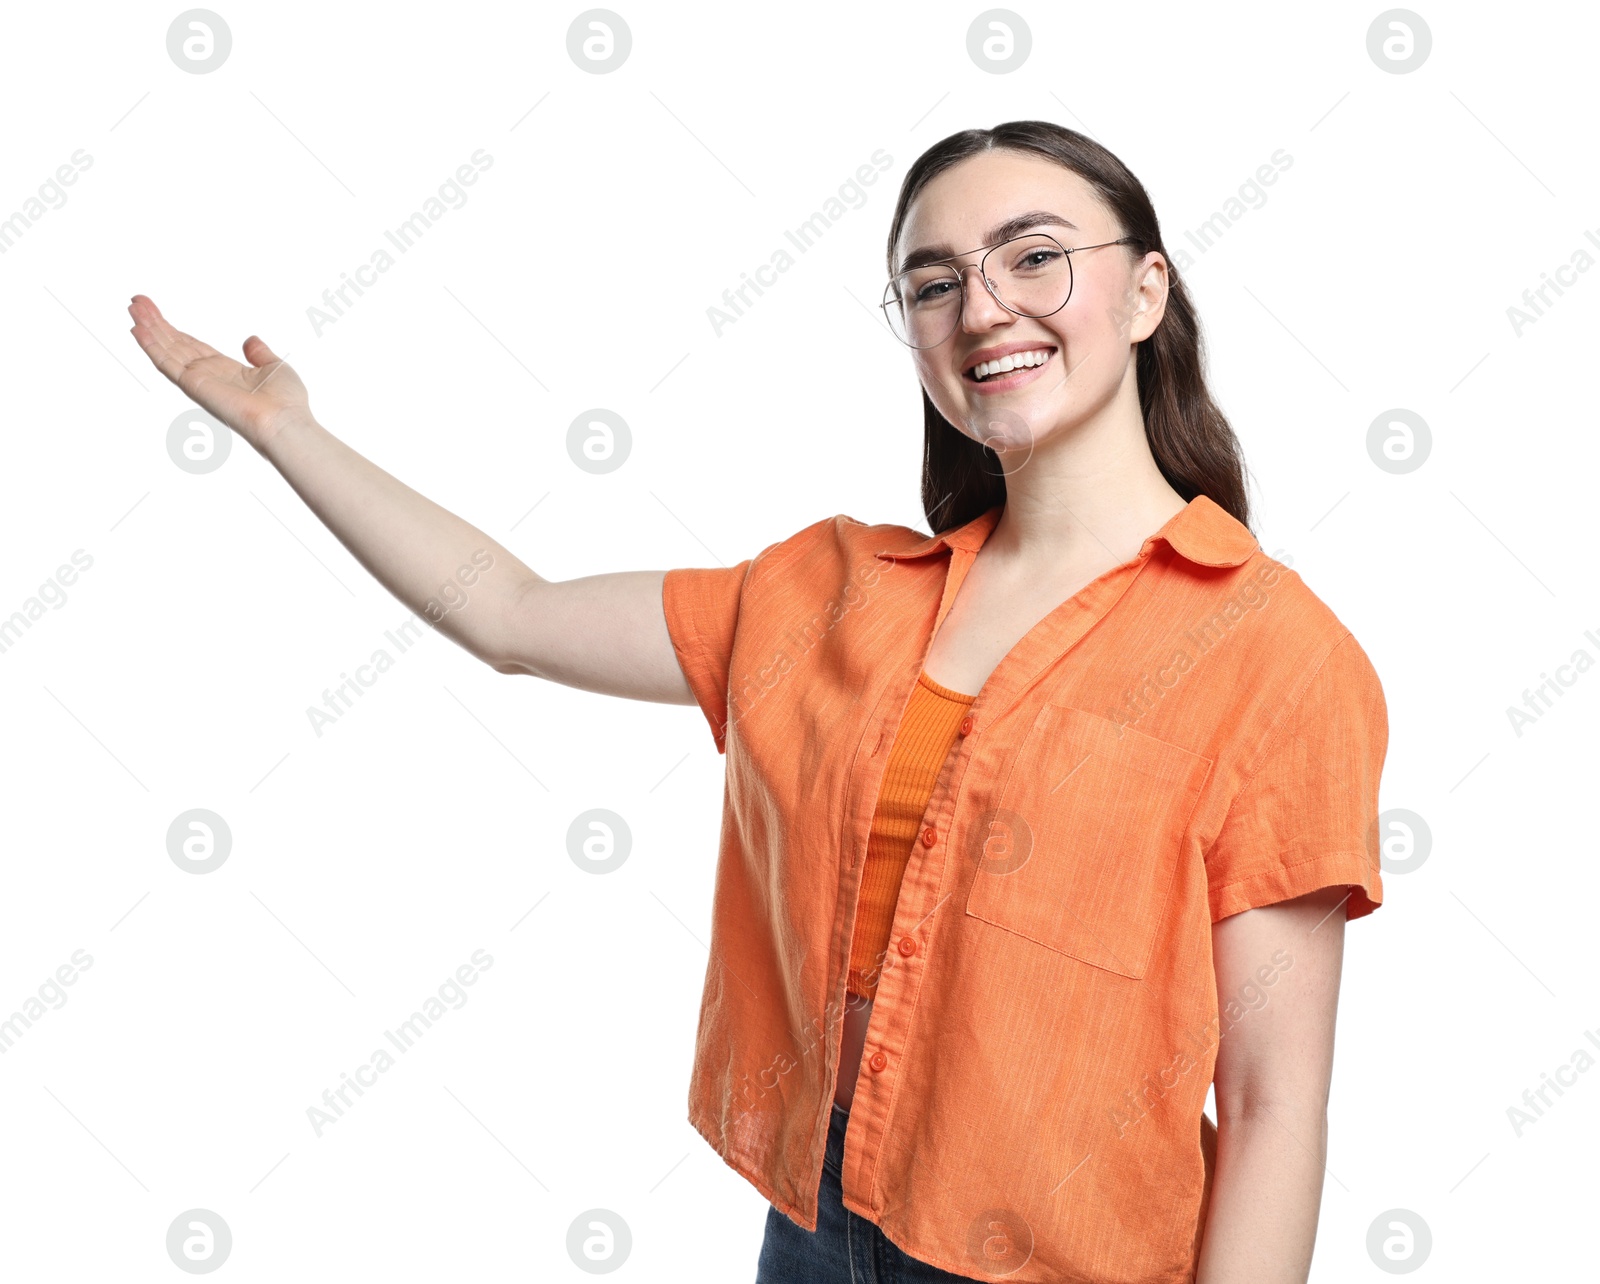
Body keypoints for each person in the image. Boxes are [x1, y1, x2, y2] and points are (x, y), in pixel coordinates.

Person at [129, 119, 1388, 1284]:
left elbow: (1275, 1103)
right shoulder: (832, 597)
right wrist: (285, 431)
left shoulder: (1275, 656)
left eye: (1035, 258)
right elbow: (506, 614)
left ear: (1148, 293)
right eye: (935, 281)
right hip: (816, 1221)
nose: (982, 308)